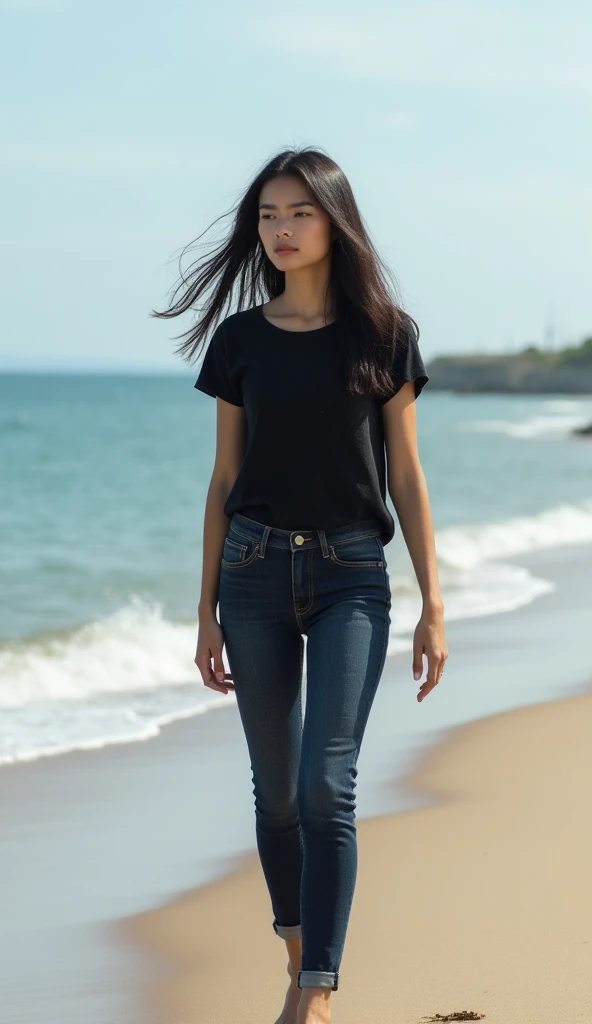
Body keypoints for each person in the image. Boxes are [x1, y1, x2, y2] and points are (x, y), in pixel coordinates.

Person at [153, 146, 448, 1024]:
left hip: (352, 573)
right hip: (249, 573)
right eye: (268, 217)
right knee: (276, 792)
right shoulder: (238, 340)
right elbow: (221, 480)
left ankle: (317, 988)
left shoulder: (385, 334)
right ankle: (298, 945)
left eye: (299, 214)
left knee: (329, 784)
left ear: (334, 220)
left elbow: (407, 473)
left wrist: (435, 605)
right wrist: (202, 610)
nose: (280, 230)